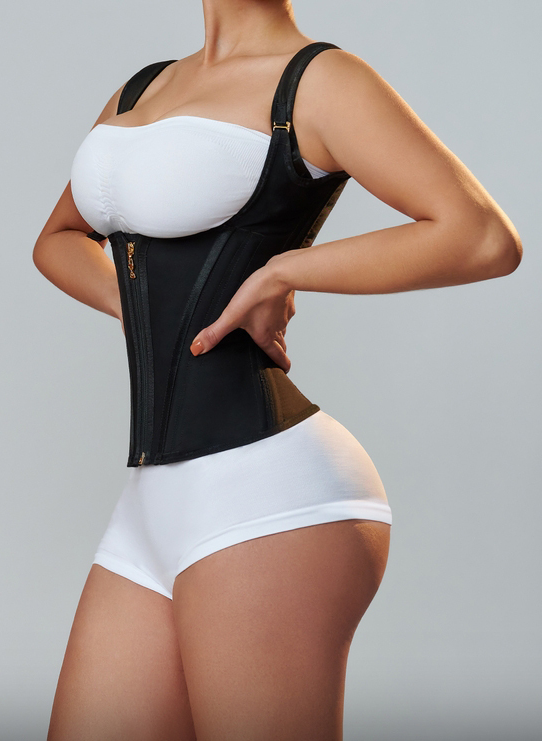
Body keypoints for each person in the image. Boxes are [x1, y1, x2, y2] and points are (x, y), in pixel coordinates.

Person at [33, 1, 522, 739]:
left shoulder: (319, 81)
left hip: (269, 493)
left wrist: (284, 270)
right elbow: (58, 239)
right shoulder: (142, 89)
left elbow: (481, 236)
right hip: (151, 503)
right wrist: (140, 309)